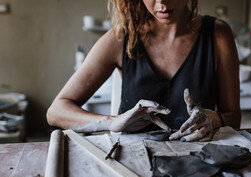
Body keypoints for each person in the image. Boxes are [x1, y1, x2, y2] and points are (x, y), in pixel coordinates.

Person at [46, 0, 241, 142]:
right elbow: (56, 111)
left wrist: (214, 120)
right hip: (133, 166)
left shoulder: (217, 35)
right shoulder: (122, 38)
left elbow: (233, 116)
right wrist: (111, 121)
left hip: (201, 160)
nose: (162, 3)